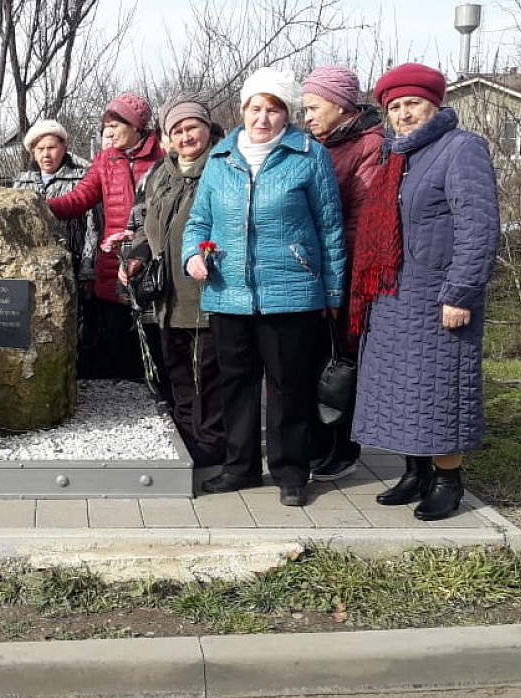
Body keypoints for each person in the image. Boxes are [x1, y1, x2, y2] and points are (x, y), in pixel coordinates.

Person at [181, 67, 345, 507]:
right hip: (228, 292)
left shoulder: (309, 156)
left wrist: (332, 292)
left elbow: (330, 228)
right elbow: (198, 222)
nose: (263, 117)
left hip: (291, 293)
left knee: (289, 385)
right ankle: (240, 467)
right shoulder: (220, 159)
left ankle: (291, 471)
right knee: (235, 384)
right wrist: (193, 254)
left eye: (273, 109)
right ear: (242, 110)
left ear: (287, 114)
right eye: (256, 107)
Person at [352, 63, 499, 521]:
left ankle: (448, 481)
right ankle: (415, 473)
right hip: (394, 295)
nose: (403, 114)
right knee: (402, 392)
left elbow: (479, 228)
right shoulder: (396, 155)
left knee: (441, 391)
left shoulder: (461, 149)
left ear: (434, 104)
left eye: (412, 103)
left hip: (438, 297)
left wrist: (461, 292)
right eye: (394, 107)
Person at [119, 93, 226, 468]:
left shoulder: (223, 166)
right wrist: (135, 257)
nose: (185, 136)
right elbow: (144, 226)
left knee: (208, 375)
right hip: (167, 294)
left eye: (191, 127)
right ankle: (185, 435)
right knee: (178, 369)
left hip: (209, 290)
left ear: (207, 129)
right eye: (176, 130)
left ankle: (212, 444)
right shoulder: (161, 173)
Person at [300, 65, 384, 482]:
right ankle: (318, 442)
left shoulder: (370, 145)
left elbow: (359, 221)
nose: (308, 116)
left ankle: (345, 446)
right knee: (316, 359)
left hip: (345, 272)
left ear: (340, 105)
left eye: (314, 107)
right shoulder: (320, 144)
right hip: (312, 270)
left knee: (343, 361)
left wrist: (339, 276)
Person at [47, 92, 165, 380]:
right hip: (114, 262)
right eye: (106, 126)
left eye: (116, 124)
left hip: (153, 259)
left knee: (154, 341)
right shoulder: (105, 161)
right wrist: (41, 205)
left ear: (137, 126)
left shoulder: (161, 158)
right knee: (116, 337)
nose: (109, 132)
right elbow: (78, 199)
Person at [11, 119, 101, 377]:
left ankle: (76, 373)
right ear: (32, 152)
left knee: (73, 324)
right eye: (40, 149)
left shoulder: (80, 177)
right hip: (33, 267)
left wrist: (87, 269)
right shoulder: (22, 182)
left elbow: (93, 226)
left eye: (52, 147)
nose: (46, 154)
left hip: (70, 262)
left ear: (64, 147)